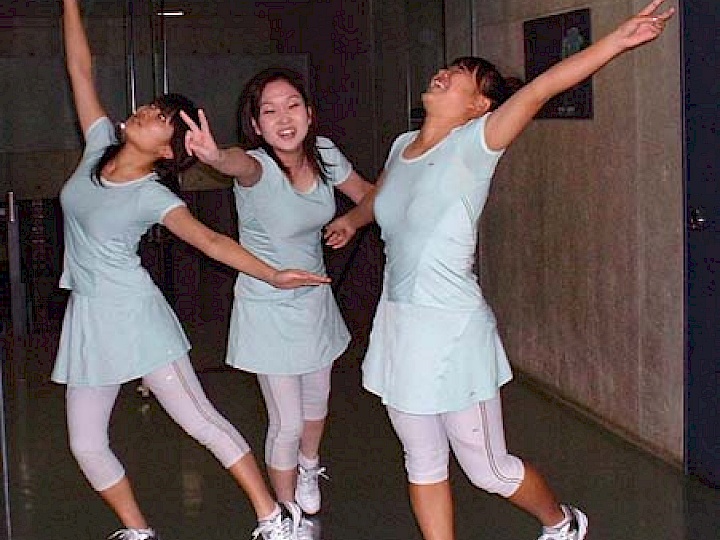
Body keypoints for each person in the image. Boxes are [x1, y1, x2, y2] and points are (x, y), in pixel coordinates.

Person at [326, 1, 674, 539]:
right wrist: (352, 217)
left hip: (452, 330)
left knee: (488, 469)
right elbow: (383, 199)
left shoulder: (476, 143)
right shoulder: (401, 147)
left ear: (479, 105)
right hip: (398, 327)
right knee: (421, 463)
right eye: (446, 69)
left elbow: (539, 89)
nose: (442, 74)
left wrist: (618, 39)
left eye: (459, 76)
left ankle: (562, 524)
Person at [55, 2, 330, 539]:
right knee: (85, 442)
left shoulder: (153, 196)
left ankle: (276, 517)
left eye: (160, 117)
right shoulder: (95, 150)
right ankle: (138, 531)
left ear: (168, 150)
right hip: (86, 318)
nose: (145, 113)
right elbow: (79, 70)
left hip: (136, 318)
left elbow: (211, 241)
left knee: (201, 421)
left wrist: (273, 275)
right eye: (152, 108)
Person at [181, 67, 374, 529]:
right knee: (285, 420)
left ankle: (309, 466)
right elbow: (236, 164)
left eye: (292, 106)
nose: (283, 118)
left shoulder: (325, 153)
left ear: (310, 113)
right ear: (256, 126)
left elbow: (368, 195)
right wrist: (213, 154)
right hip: (266, 306)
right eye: (269, 111)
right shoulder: (257, 167)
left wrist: (353, 221)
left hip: (314, 302)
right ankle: (285, 514)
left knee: (318, 404)